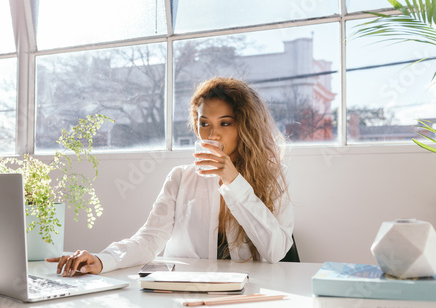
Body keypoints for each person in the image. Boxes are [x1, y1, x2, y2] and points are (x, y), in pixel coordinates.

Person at [47, 77, 294, 277]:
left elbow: (276, 251)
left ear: (245, 126)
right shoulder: (180, 178)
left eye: (225, 123)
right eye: (204, 123)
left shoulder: (272, 177)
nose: (212, 135)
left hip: (250, 293)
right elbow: (149, 240)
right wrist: (102, 259)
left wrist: (233, 181)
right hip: (186, 290)